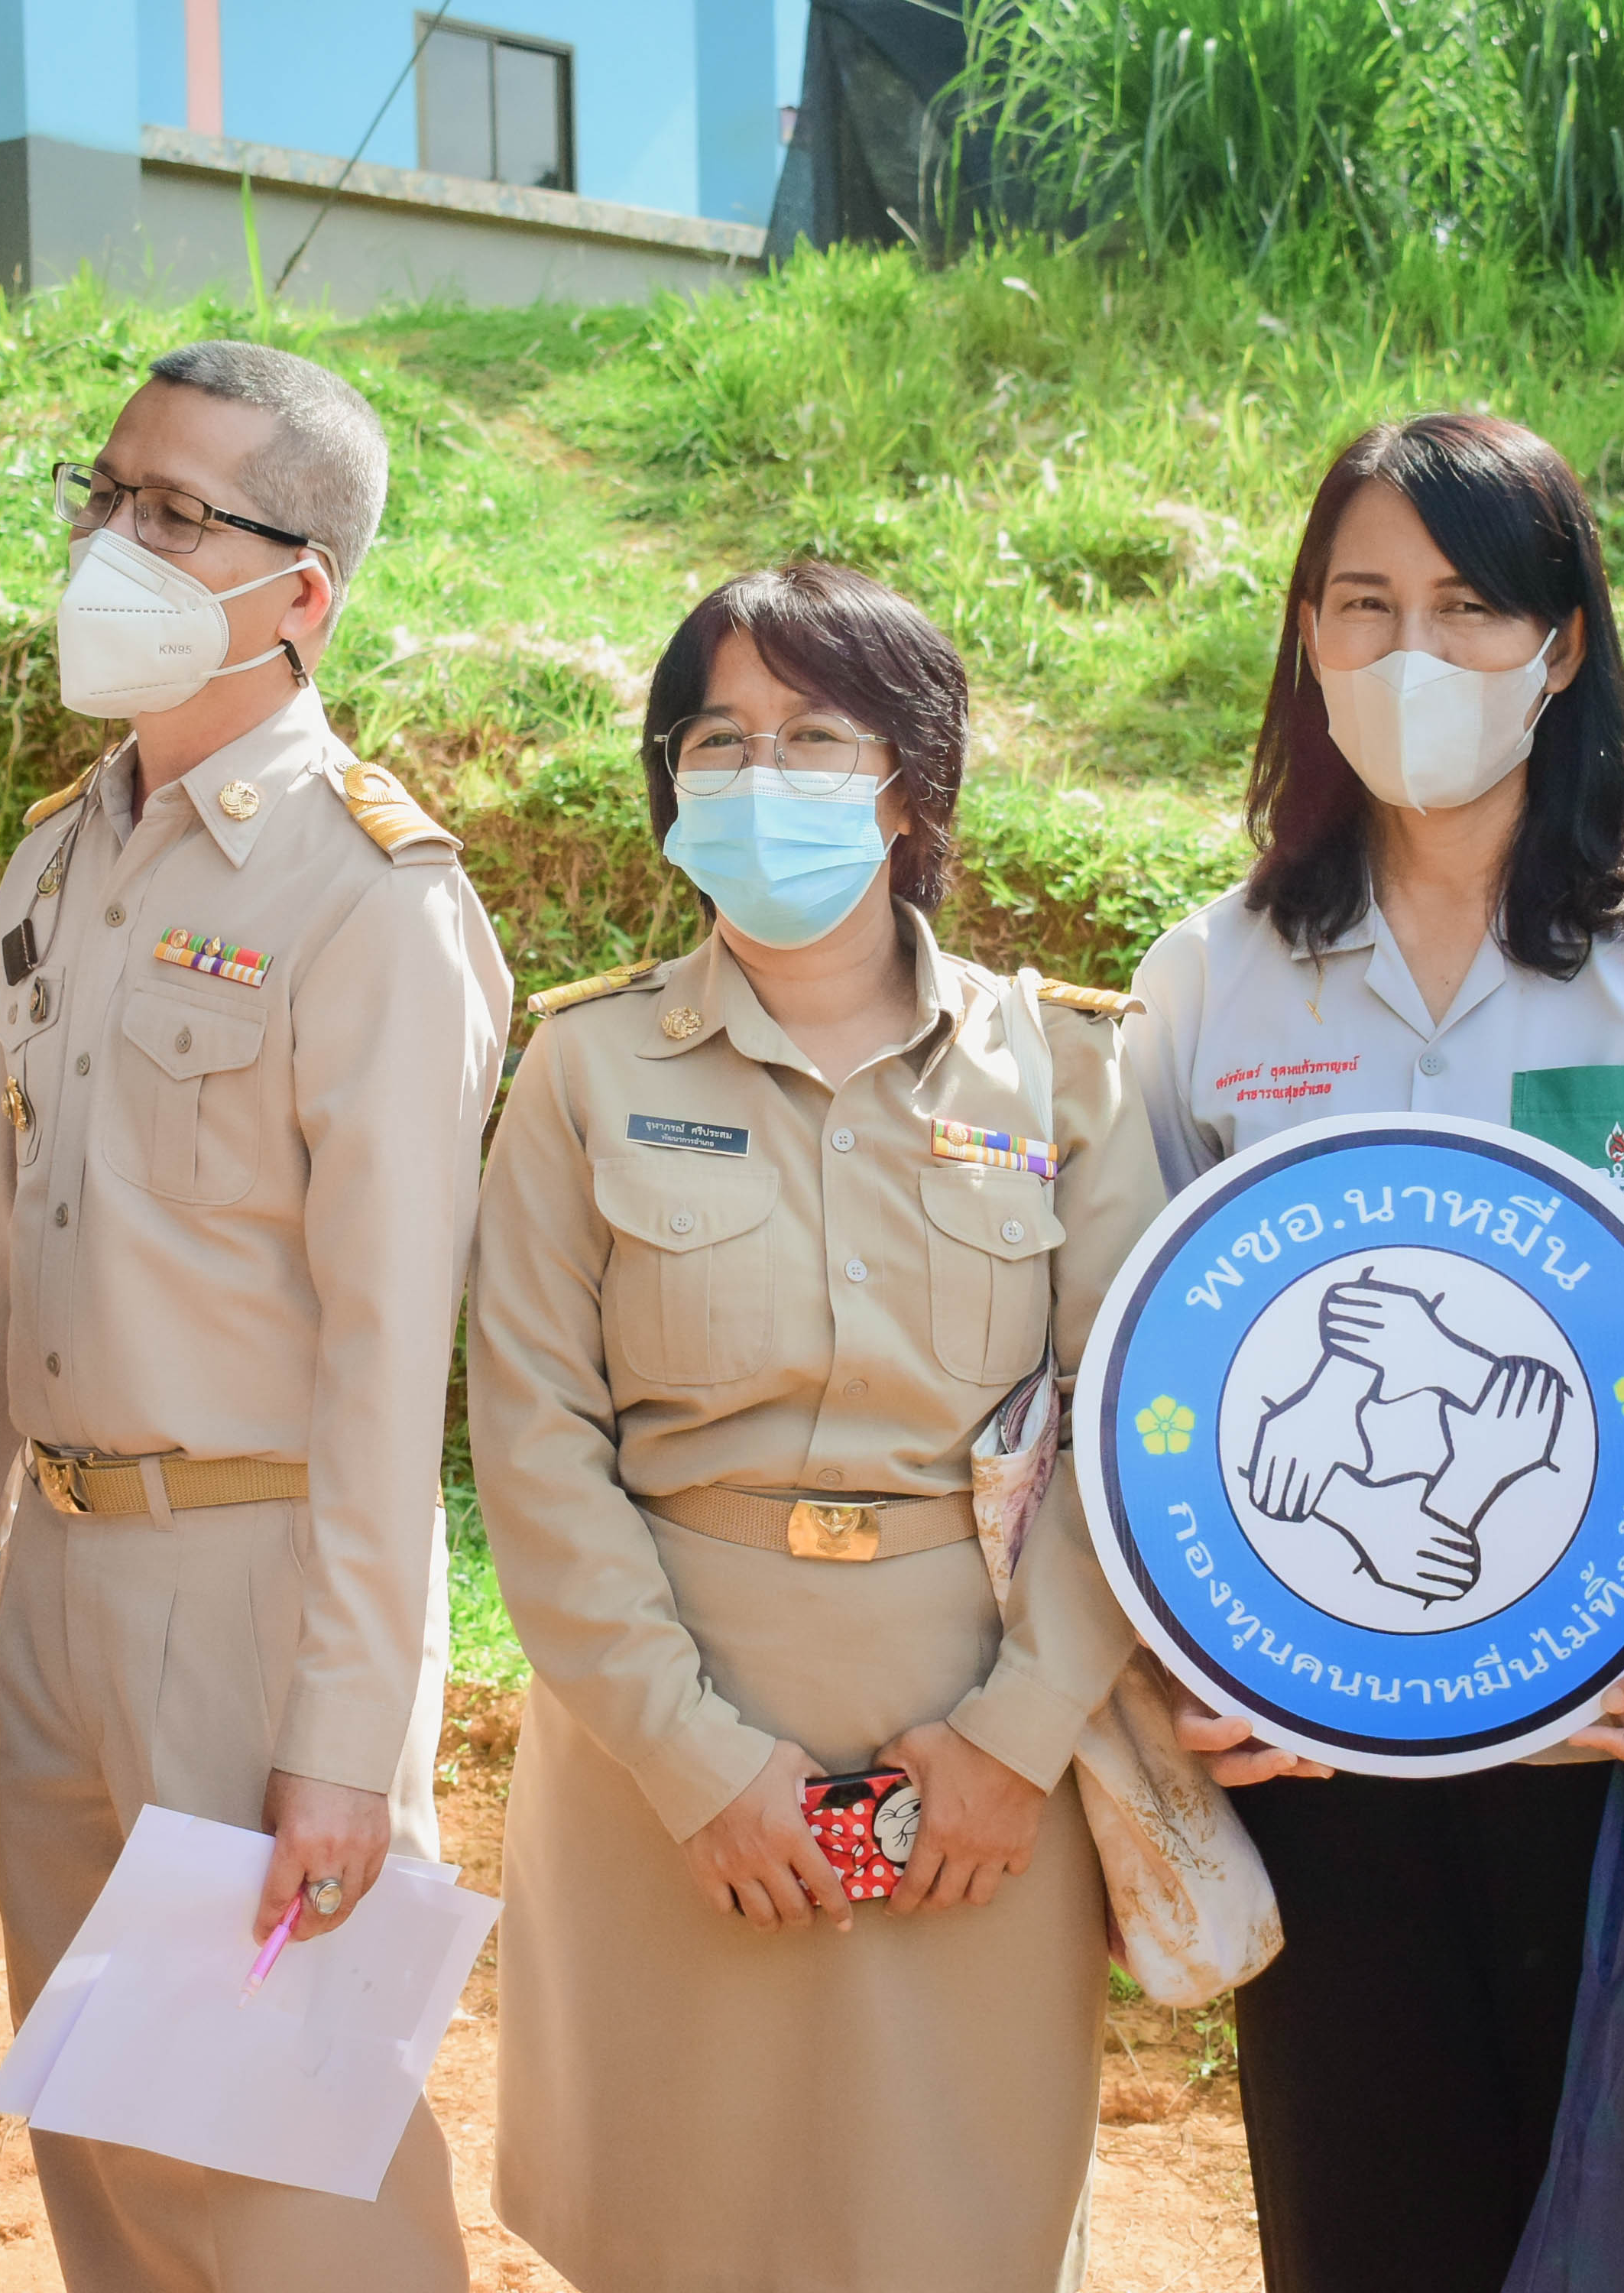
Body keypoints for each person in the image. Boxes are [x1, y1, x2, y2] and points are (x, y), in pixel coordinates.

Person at [1127, 413, 1624, 2292]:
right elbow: (1131, 1373)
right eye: (1364, 603)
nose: (1413, 651)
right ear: (1307, 640)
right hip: (1322, 1726)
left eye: (1470, 607)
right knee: (1366, 2212)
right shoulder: (1212, 976)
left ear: (1560, 648)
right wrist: (1176, 1666)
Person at [468, 562, 1165, 2292]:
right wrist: (694, 1765)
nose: (760, 774)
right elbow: (538, 1450)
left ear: (909, 787)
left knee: (957, 2225)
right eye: (719, 740)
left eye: (814, 737)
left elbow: (1126, 1437)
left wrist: (1014, 1744)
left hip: (981, 1760)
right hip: (658, 1752)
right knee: (676, 2227)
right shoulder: (585, 1072)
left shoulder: (1065, 1073)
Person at [0, 339, 511, 2291]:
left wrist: (343, 1734)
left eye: (173, 513)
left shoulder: (370, 897)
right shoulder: (55, 862)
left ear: (302, 591)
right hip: (65, 1585)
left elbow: (388, 1358)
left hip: (256, 1596)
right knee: (111, 2159)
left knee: (287, 2183)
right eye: (103, 494)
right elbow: (2, 1261)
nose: (112, 540)